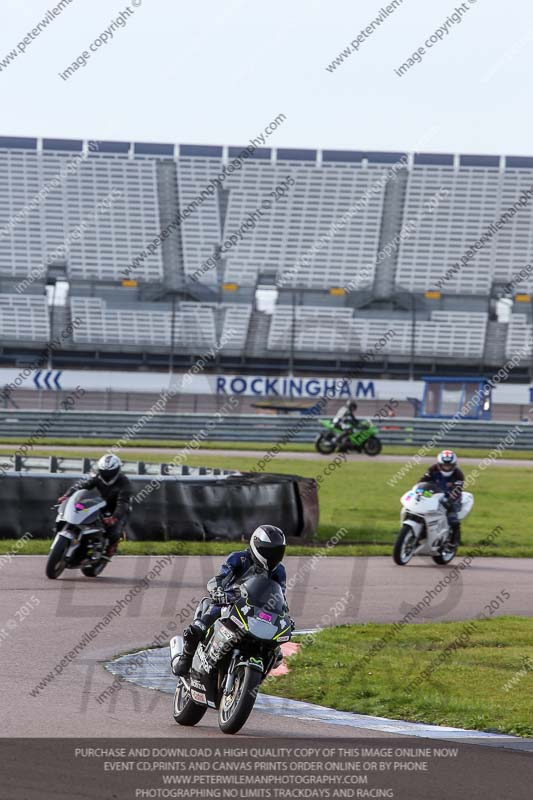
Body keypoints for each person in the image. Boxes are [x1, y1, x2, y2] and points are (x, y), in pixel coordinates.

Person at [173, 525, 290, 677]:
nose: (273, 555)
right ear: (257, 546)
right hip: (228, 602)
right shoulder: (239, 558)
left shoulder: (279, 571)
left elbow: (280, 596)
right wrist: (219, 590)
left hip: (257, 611)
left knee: (276, 652)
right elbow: (220, 578)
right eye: (269, 551)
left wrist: (284, 613)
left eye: (277, 551)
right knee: (197, 629)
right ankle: (185, 658)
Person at [57, 454, 132, 558]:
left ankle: (112, 545)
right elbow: (81, 486)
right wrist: (67, 495)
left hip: (117, 508)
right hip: (99, 502)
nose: (107, 474)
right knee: (78, 508)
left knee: (114, 528)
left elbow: (123, 503)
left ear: (117, 470)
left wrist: (114, 517)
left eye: (110, 472)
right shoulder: (97, 477)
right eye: (104, 471)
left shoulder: (124, 482)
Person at [419, 450, 464, 547]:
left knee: (453, 519)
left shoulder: (458, 474)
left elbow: (457, 490)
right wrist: (419, 490)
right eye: (444, 465)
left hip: (452, 497)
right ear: (439, 464)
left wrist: (450, 501)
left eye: (449, 466)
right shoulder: (432, 469)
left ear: (454, 465)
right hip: (434, 494)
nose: (446, 468)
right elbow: (422, 481)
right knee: (421, 511)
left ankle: (454, 540)